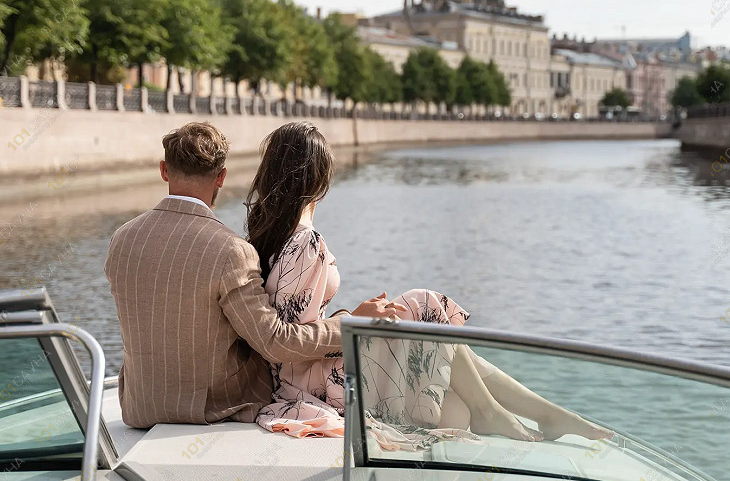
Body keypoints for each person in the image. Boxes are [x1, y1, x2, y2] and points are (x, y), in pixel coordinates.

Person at [247, 121, 612, 447]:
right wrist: (354, 319)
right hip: (315, 385)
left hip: (303, 376)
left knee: (455, 405)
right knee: (422, 304)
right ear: (317, 178)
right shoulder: (306, 242)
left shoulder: (274, 237)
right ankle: (519, 413)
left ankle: (536, 413)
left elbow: (292, 326)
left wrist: (353, 316)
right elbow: (295, 340)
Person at [105, 121, 405, 428]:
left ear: (164, 170)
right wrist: (348, 324)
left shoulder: (122, 239)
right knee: (416, 311)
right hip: (215, 407)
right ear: (221, 177)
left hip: (140, 407)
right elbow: (274, 342)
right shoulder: (229, 250)